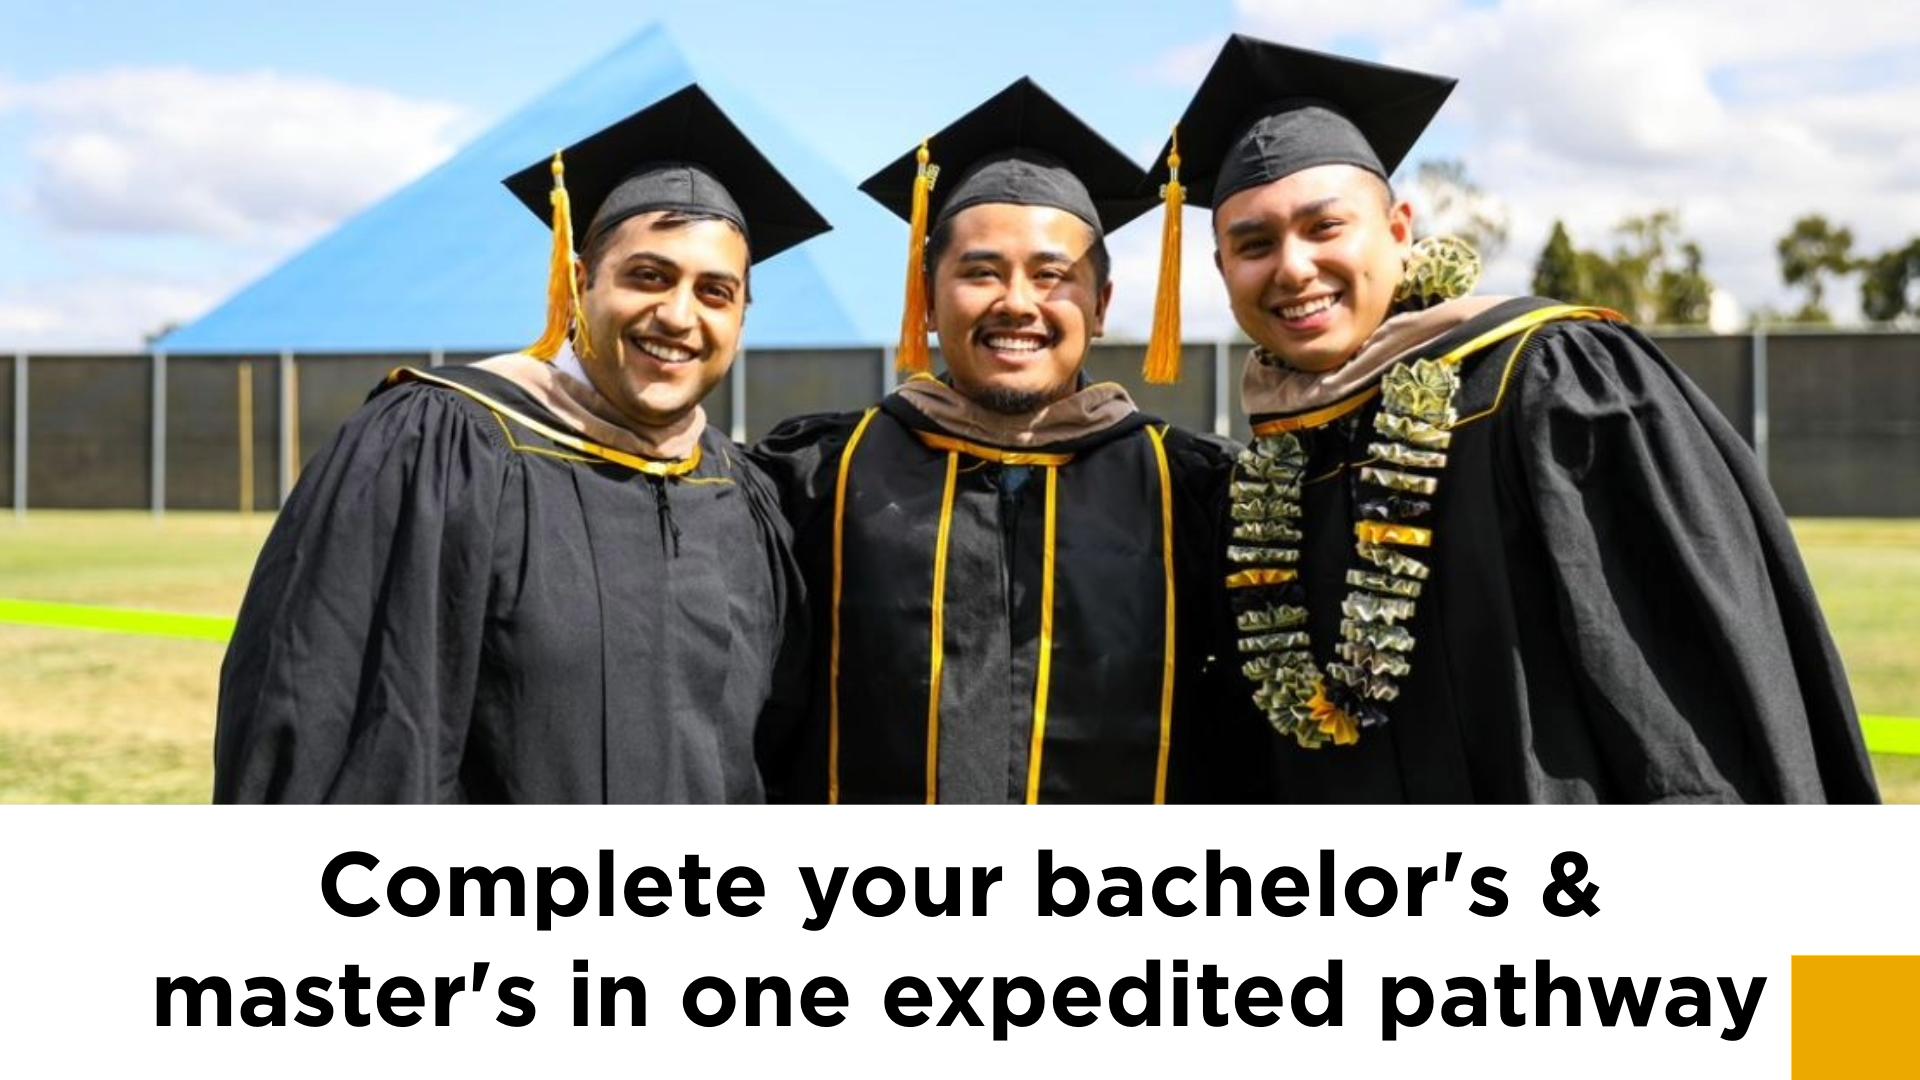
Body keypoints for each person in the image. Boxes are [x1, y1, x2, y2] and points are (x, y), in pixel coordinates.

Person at [1149, 35, 1878, 802]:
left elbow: (1685, 718)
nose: (1293, 267)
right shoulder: (1271, 469)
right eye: (1255, 244)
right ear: (1223, 270)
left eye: (1324, 227)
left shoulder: (1552, 382)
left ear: (1399, 231)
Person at [214, 85, 826, 803]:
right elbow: (336, 733)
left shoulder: (739, 496)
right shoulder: (440, 446)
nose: (678, 315)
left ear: (742, 316)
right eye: (648, 276)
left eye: (715, 292)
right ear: (577, 283)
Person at [752, 78, 1274, 804]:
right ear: (928, 299)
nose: (1018, 303)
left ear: (1101, 308)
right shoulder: (816, 481)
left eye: (1052, 276)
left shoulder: (1194, 491)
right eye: (981, 273)